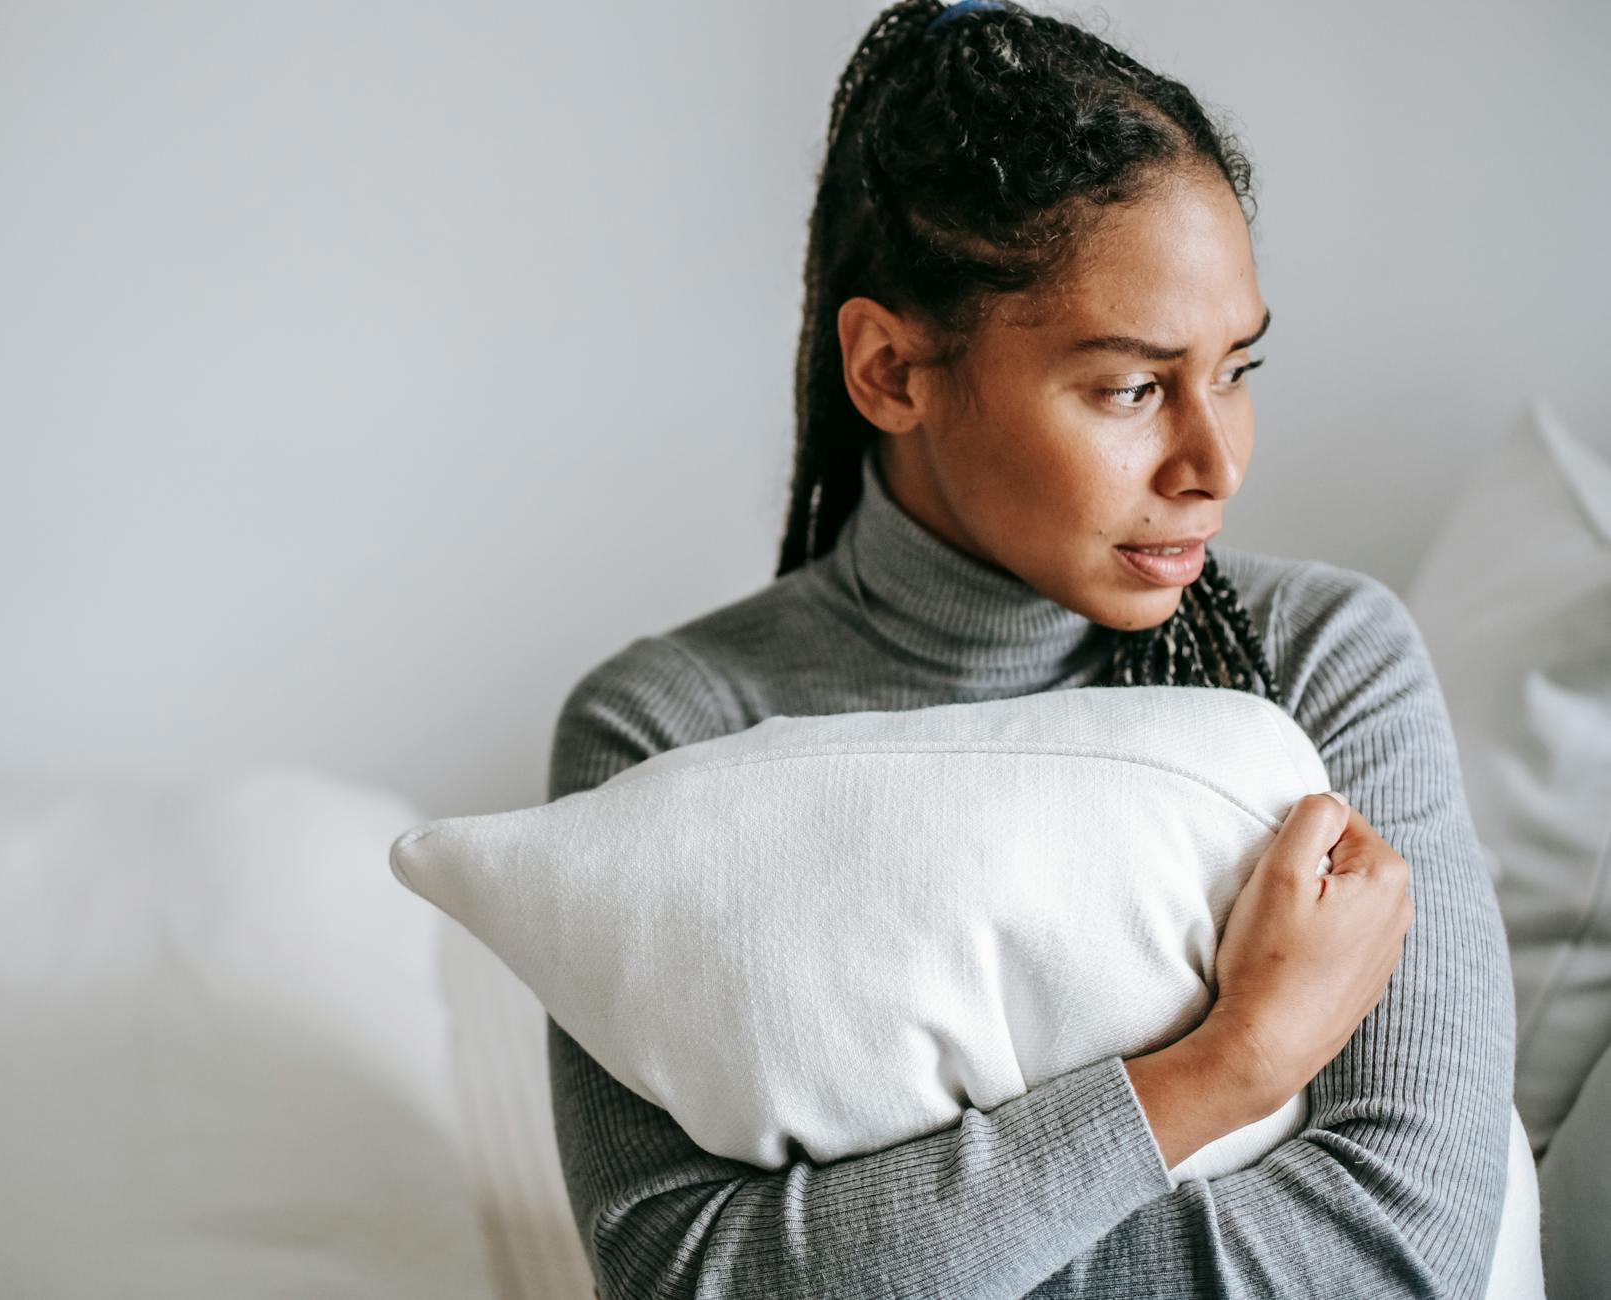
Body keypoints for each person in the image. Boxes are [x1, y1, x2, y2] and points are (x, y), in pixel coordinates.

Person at [543, 1, 1517, 1296]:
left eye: (1235, 367)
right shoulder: (671, 732)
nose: (1214, 463)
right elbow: (686, 1276)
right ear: (891, 370)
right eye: (1129, 387)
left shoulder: (1323, 662)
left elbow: (1403, 1255)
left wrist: (902, 1247)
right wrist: (1221, 1071)